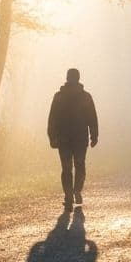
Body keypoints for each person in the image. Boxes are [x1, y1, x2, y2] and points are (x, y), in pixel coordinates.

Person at [47, 68, 98, 208]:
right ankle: (77, 191)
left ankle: (69, 195)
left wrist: (52, 136)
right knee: (80, 165)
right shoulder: (86, 97)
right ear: (78, 78)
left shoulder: (59, 96)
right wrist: (94, 135)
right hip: (81, 139)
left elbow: (52, 119)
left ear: (67, 78)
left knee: (66, 168)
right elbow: (92, 118)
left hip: (63, 139)